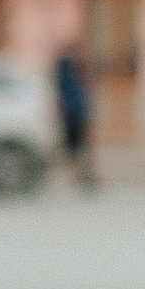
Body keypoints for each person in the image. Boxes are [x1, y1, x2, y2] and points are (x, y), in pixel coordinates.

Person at [52, 37, 95, 187]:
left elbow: (86, 88)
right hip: (70, 110)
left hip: (80, 110)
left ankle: (83, 176)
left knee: (82, 145)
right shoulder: (64, 65)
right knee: (71, 145)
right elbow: (59, 87)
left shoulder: (81, 66)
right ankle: (73, 175)